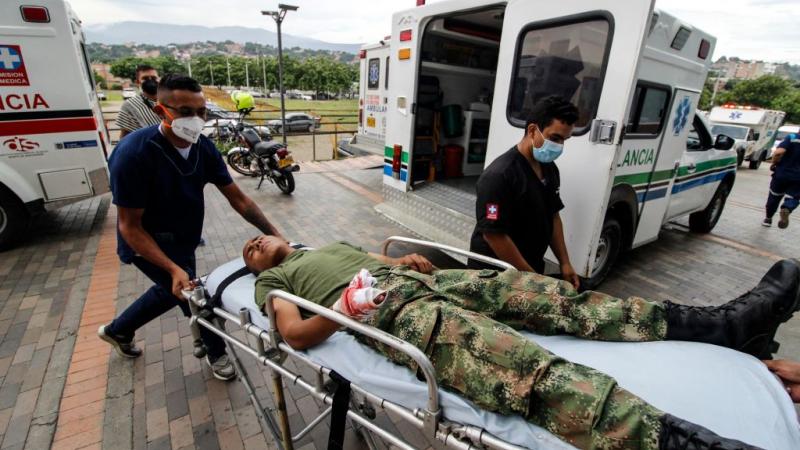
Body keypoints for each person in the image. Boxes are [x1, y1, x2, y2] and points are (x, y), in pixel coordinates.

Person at [243, 235, 800, 450]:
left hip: (424, 281)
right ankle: (680, 444)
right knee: (522, 369)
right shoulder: (275, 281)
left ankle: (720, 326)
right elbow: (294, 333)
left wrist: (402, 259)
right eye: (248, 249)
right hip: (393, 312)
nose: (254, 243)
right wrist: (344, 310)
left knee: (551, 298)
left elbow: (383, 261)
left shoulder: (327, 245)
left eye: (258, 237)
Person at [98, 75, 283, 381]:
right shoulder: (134, 155)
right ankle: (217, 353)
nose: (196, 120)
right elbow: (129, 226)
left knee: (172, 292)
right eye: (185, 112)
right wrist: (172, 268)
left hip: (183, 238)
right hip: (148, 244)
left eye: (201, 112)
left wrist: (276, 235)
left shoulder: (203, 149)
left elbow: (240, 200)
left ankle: (118, 330)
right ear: (161, 111)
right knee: (196, 298)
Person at [469, 96, 580, 289]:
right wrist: (530, 278)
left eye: (564, 140)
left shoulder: (549, 170)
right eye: (555, 138)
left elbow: (553, 216)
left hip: (530, 269)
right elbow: (494, 235)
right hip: (496, 276)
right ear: (532, 130)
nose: (560, 146)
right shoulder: (498, 176)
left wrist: (565, 263)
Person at [762, 132, 800, 229]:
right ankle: (787, 207)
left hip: (781, 174)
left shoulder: (792, 137)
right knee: (793, 197)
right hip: (798, 178)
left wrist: (774, 162)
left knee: (774, 196)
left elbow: (779, 152)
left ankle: (768, 219)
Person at [116, 64, 162, 140]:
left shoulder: (170, 100)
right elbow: (124, 135)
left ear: (159, 79)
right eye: (145, 78)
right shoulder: (130, 105)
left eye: (154, 78)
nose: (150, 80)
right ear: (138, 82)